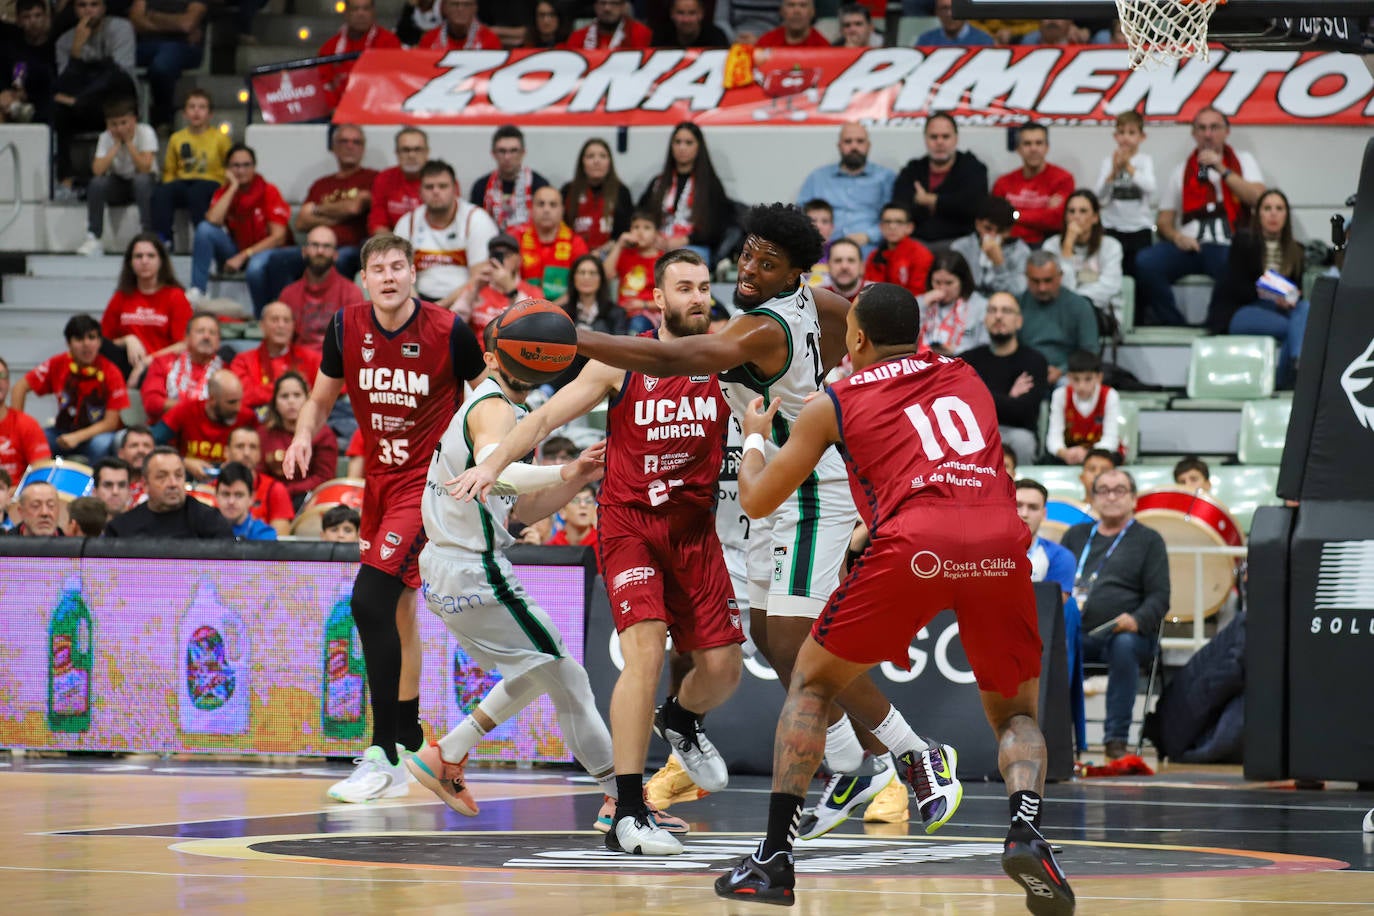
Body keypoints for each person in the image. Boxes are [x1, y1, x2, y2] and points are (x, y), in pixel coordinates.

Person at [572, 205, 960, 845]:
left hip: (810, 486)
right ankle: (847, 766)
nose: (750, 269)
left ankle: (914, 751)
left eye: (768, 264)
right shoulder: (819, 298)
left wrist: (579, 337)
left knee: (797, 640)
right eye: (749, 253)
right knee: (767, 634)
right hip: (781, 483)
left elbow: (677, 359)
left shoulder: (761, 329)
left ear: (791, 274)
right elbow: (859, 329)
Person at [713, 283, 1072, 915]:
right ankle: (1026, 830)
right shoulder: (966, 374)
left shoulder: (837, 399)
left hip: (916, 543)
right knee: (1016, 714)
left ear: (855, 339)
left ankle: (773, 861)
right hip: (999, 537)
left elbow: (758, 500)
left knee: (812, 685)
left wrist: (752, 438)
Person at [449, 248, 742, 857]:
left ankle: (682, 721)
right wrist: (495, 463)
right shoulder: (621, 361)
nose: (697, 296)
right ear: (656, 300)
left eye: (704, 286)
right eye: (684, 287)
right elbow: (545, 414)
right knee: (645, 650)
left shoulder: (729, 358)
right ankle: (629, 810)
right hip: (630, 524)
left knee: (722, 670)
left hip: (695, 529)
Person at [283, 232, 486, 803]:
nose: (390, 276)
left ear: (414, 274)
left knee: (367, 600)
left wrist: (491, 463)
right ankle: (409, 743)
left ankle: (381, 751)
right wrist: (303, 433)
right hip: (378, 484)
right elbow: (322, 398)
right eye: (379, 268)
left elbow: (485, 398)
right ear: (366, 279)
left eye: (400, 266)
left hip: (428, 486)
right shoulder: (346, 327)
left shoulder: (450, 330)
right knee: (398, 613)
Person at [407, 321, 630, 830]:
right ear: (490, 359)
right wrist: (563, 471)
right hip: (473, 571)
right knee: (567, 676)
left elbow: (519, 511)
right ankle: (622, 800)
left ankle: (450, 752)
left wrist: (579, 475)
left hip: (452, 567)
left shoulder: (513, 412)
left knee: (539, 670)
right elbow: (496, 467)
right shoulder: (493, 407)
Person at [1060, 467, 1169, 760]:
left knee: (1124, 646)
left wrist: (1136, 620)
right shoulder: (1075, 535)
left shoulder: (1149, 540)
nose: (1111, 496)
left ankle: (1116, 739)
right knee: (1053, 644)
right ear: (1093, 498)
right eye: (1103, 490)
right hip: (1078, 631)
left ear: (1133, 499)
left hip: (1126, 633)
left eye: (1119, 490)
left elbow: (1160, 597)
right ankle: (1057, 736)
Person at [1134, 106, 1266, 327]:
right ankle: (1172, 322)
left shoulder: (1242, 161)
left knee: (1237, 266)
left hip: (1227, 245)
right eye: (1202, 128)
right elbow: (1164, 220)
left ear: (1226, 131)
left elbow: (1258, 198)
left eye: (1214, 127)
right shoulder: (1181, 170)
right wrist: (1177, 237)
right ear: (1194, 134)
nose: (1208, 134)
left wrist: (1222, 169)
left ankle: (1215, 323)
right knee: (1146, 262)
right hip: (1190, 245)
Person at [1016, 477, 1086, 753]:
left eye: (1032, 507)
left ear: (1044, 513)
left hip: (1041, 637)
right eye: (1018, 505)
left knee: (1069, 612)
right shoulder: (986, 551)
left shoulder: (1060, 557)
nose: (1024, 512)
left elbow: (1053, 607)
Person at [273, 123, 378, 293]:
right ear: (334, 147)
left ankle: (335, 314)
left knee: (341, 259)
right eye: (344, 141)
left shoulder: (373, 178)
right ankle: (282, 312)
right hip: (314, 247)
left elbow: (353, 208)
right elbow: (301, 223)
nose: (350, 146)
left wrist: (317, 209)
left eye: (356, 142)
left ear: (363, 148)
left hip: (349, 248)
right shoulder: (320, 184)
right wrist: (342, 211)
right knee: (275, 259)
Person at [189, 143, 291, 314]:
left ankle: (260, 316)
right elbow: (212, 221)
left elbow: (278, 237)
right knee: (204, 229)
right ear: (228, 169)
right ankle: (198, 292)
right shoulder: (225, 192)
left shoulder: (268, 191)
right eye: (235, 166)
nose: (241, 170)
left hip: (266, 252)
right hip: (237, 251)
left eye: (246, 165)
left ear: (254, 167)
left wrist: (244, 256)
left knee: (255, 268)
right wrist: (233, 187)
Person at [1221, 188, 1309, 388]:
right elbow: (1236, 287)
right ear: (1258, 214)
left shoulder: (1297, 250)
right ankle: (1292, 375)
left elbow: (1296, 291)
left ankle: (1294, 367)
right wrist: (1270, 294)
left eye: (1279, 208)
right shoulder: (1244, 242)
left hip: (1279, 311)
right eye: (1267, 208)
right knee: (1297, 330)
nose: (1273, 214)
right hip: (1244, 310)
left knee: (1304, 308)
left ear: (1286, 215)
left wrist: (1291, 297)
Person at [12, 314, 129, 461]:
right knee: (37, 440)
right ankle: (41, 482)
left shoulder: (112, 372)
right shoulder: (57, 364)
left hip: (97, 434)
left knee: (100, 445)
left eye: (92, 338)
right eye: (79, 339)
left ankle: (96, 483)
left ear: (99, 342)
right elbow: (19, 388)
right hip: (63, 431)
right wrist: (16, 428)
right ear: (69, 343)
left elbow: (111, 423)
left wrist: (77, 437)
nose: (86, 344)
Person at [52, 0, 136, 197]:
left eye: (94, 4)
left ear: (104, 7)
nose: (88, 10)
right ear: (74, 10)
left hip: (117, 103)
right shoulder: (65, 41)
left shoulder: (121, 29)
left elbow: (120, 73)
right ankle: (65, 180)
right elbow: (64, 84)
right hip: (84, 108)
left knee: (113, 75)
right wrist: (76, 52)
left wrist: (78, 98)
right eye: (82, 5)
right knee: (56, 110)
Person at [393, 160, 500, 309]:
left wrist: (441, 307)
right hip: (418, 301)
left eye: (443, 186)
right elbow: (398, 273)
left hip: (466, 302)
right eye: (429, 187)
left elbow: (480, 278)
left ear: (455, 189)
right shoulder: (407, 222)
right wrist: (417, 307)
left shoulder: (476, 219)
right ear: (420, 191)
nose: (436, 191)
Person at [960, 292, 1049, 467]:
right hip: (976, 430)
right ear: (985, 319)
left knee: (1022, 441)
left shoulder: (1034, 361)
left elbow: (1025, 412)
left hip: (1016, 432)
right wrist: (1009, 399)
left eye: (1006, 311)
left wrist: (981, 395)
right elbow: (963, 408)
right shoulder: (967, 360)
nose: (998, 316)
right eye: (992, 310)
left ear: (1019, 321)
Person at [638, 122, 736, 264]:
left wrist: (684, 240)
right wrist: (652, 235)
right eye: (677, 142)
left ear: (698, 147)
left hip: (693, 247)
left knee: (685, 263)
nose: (682, 147)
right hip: (656, 243)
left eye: (688, 143)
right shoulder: (658, 183)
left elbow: (716, 228)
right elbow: (641, 215)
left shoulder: (710, 185)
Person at [100, 233, 193, 383]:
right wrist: (127, 339)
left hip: (161, 364)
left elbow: (184, 345)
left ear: (161, 261)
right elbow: (103, 341)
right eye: (138, 256)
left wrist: (147, 362)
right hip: (127, 362)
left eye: (150, 256)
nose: (144, 261)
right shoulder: (121, 296)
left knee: (147, 376)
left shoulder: (175, 296)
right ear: (130, 262)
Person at [796, 122, 896, 256]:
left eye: (860, 141)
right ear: (839, 146)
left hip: (871, 254)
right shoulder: (818, 178)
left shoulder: (886, 178)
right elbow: (799, 217)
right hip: (824, 257)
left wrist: (869, 236)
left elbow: (897, 218)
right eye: (848, 141)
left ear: (868, 146)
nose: (854, 146)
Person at [893, 112, 989, 249]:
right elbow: (900, 206)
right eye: (934, 137)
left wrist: (931, 200)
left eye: (945, 136)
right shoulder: (912, 170)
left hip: (959, 242)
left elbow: (973, 206)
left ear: (956, 139)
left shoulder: (973, 169)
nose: (939, 142)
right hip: (917, 242)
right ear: (925, 139)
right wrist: (950, 203)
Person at [79, 96, 156, 257]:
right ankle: (94, 237)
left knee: (142, 181)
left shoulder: (146, 132)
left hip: (144, 183)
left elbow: (145, 167)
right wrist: (115, 147)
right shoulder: (105, 137)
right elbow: (97, 170)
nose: (119, 128)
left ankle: (147, 234)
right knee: (97, 184)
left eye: (123, 123)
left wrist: (129, 143)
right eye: (114, 124)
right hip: (119, 183)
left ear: (134, 120)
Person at [152, 89, 228, 247]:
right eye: (192, 107)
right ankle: (163, 239)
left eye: (202, 107)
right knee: (161, 192)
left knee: (197, 192)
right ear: (185, 113)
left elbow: (228, 167)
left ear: (210, 114)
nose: (196, 111)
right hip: (184, 181)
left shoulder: (220, 139)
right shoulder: (177, 138)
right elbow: (170, 170)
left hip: (211, 182)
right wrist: (169, 185)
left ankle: (203, 239)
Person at [106, 446, 234, 537]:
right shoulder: (121, 529)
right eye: (162, 477)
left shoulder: (210, 520)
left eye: (178, 476)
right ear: (145, 484)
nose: (173, 484)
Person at [153, 368, 256, 480]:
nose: (237, 408)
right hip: (187, 481)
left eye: (240, 400)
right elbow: (152, 441)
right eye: (231, 402)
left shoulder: (247, 417)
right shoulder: (185, 411)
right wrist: (183, 461)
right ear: (212, 399)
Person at [278, 227, 367, 353]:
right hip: (298, 367)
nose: (320, 251)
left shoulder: (351, 293)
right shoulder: (288, 294)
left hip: (336, 368)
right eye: (315, 245)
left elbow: (355, 341)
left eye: (326, 246)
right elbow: (281, 342)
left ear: (335, 255)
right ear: (304, 252)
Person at [1017, 250, 1100, 385]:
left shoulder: (1080, 306)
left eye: (1048, 280)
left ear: (1060, 276)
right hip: (1024, 373)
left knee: (1069, 385)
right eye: (1035, 281)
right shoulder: (1015, 305)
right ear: (1026, 278)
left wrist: (1063, 370)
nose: (1042, 287)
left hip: (1068, 374)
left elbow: (1090, 352)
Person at [258, 370, 336, 510]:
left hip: (309, 499)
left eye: (297, 395)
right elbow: (259, 473)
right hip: (271, 498)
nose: (291, 401)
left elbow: (324, 478)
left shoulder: (323, 434)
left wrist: (288, 490)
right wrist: (276, 492)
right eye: (284, 396)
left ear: (308, 400)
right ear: (275, 402)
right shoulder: (264, 434)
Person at [992, 122, 1076, 248]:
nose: (1033, 149)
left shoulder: (1063, 179)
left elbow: (1057, 220)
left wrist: (1014, 214)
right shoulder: (1003, 182)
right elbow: (996, 218)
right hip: (1009, 245)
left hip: (1047, 245)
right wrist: (1042, 212)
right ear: (1018, 149)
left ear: (1047, 147)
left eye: (1039, 143)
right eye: (1027, 144)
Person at [1095, 110, 1156, 281]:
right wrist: (1113, 172)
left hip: (1139, 228)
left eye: (1131, 132)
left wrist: (1128, 167)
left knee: (1140, 275)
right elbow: (1099, 196)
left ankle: (1140, 308)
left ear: (1142, 137)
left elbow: (1150, 188)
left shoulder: (1145, 160)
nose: (1126, 138)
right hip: (1112, 226)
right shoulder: (1108, 162)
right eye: (1121, 132)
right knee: (1113, 273)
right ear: (1115, 136)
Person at [229, 302, 322, 413]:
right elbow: (243, 395)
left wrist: (263, 391)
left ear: (293, 326)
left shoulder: (312, 358)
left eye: (286, 321)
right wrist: (295, 391)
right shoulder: (243, 361)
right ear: (262, 326)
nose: (281, 325)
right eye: (274, 320)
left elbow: (333, 389)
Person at [1044, 189, 1123, 319]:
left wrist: (1075, 301)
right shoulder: (1051, 246)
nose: (1076, 216)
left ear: (1095, 218)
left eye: (1083, 211)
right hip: (1059, 311)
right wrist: (1067, 247)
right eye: (1071, 211)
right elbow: (1056, 287)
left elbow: (1109, 286)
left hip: (1098, 311)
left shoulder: (1111, 246)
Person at [448, 232, 541, 342]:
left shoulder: (533, 292)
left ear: (519, 260)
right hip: (478, 354)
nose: (500, 259)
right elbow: (452, 323)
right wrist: (474, 289)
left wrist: (511, 290)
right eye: (495, 255)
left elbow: (534, 329)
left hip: (509, 354)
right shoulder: (479, 287)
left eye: (507, 254)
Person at [129, 0, 206, 130]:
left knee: (162, 65)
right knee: (117, 60)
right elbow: (135, 21)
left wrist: (154, 17)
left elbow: (186, 24)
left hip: (182, 46)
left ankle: (162, 117)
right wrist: (173, 25)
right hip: (146, 46)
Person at [139, 311, 223, 423]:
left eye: (212, 333)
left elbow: (225, 408)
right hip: (166, 430)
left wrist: (178, 406)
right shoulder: (163, 362)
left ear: (219, 341)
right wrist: (198, 408)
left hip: (208, 434)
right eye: (200, 331)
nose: (206, 336)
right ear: (186, 338)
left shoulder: (225, 371)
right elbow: (152, 403)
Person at [512, 186, 589, 302]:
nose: (546, 210)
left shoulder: (576, 243)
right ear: (531, 209)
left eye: (553, 205)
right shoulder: (517, 239)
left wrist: (551, 310)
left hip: (565, 311)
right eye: (541, 204)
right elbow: (509, 279)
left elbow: (582, 286)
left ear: (562, 210)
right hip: (522, 307)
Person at [318, 0, 400, 106]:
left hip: (378, 110)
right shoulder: (329, 47)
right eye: (354, 9)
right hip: (337, 113)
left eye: (366, 9)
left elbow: (394, 85)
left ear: (373, 12)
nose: (360, 14)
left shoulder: (389, 43)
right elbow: (323, 85)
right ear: (346, 13)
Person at [470, 125, 550, 234]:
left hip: (530, 246)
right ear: (493, 154)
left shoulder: (539, 185)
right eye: (502, 151)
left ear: (523, 153)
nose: (507, 157)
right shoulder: (481, 186)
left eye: (513, 151)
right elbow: (475, 225)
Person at [1046, 349, 1121, 464]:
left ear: (1099, 378)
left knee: (1113, 457)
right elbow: (1053, 437)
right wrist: (1064, 453)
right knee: (1048, 460)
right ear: (1069, 377)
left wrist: (1087, 454)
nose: (1081, 386)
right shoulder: (1060, 395)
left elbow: (1110, 439)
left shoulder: (1110, 395)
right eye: (1076, 379)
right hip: (1069, 454)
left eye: (1088, 379)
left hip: (1099, 454)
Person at [562, 137, 634, 258]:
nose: (597, 161)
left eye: (603, 156)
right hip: (573, 255)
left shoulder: (622, 192)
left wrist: (599, 254)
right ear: (582, 162)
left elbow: (624, 234)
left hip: (611, 258)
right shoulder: (568, 191)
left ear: (609, 162)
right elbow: (562, 229)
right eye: (590, 156)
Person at [952, 195, 1030, 298]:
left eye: (1000, 231)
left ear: (1009, 231)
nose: (993, 236)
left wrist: (999, 265)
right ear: (978, 224)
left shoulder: (1021, 251)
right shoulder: (961, 247)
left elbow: (1019, 293)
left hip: (1003, 306)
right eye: (988, 229)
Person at [917, 250, 988, 356]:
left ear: (962, 281)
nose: (942, 289)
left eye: (949, 283)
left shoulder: (981, 306)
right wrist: (922, 307)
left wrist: (955, 352)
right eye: (937, 282)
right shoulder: (921, 302)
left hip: (964, 364)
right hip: (923, 363)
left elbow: (985, 347)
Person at [225, 425, 293, 534]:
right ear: (226, 452)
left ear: (259, 454)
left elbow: (280, 541)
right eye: (240, 446)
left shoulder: (275, 489)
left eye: (253, 447)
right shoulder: (211, 489)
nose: (246, 453)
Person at [0, 0, 57, 128]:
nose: (33, 21)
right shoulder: (12, 48)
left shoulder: (55, 46)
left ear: (46, 18)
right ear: (18, 20)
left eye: (37, 16)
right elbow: (15, 72)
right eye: (27, 17)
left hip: (46, 102)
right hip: (16, 102)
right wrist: (8, 92)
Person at [604, 211, 662, 331]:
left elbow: (668, 299)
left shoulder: (662, 261)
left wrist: (643, 304)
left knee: (637, 325)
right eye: (636, 227)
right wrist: (619, 245)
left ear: (656, 234)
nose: (640, 232)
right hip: (622, 311)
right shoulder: (625, 254)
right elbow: (605, 275)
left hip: (647, 313)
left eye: (647, 228)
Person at [368, 127, 429, 237]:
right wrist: (394, 247)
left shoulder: (441, 179)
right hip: (392, 241)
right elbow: (377, 223)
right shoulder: (384, 178)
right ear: (396, 153)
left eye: (417, 149)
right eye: (405, 150)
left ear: (427, 152)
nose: (411, 155)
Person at [865, 202, 934, 298]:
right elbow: (868, 290)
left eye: (899, 222)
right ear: (881, 227)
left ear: (910, 227)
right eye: (887, 221)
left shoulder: (921, 255)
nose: (892, 226)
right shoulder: (873, 256)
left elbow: (918, 294)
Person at [0, 354, 51, 484]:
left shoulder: (27, 424)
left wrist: (14, 493)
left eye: (2, 376)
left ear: (8, 383)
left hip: (17, 498)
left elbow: (42, 472)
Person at [215, 460, 277, 540]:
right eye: (226, 494)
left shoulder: (264, 534)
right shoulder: (203, 530)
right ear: (216, 495)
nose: (231, 501)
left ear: (251, 498)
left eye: (239, 495)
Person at [564, 0, 651, 49]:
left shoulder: (640, 32)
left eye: (614, 3)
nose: (607, 8)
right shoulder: (578, 36)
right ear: (595, 6)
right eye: (602, 3)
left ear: (624, 6)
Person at [419, 0, 503, 49]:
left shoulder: (489, 40)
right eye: (455, 4)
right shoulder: (429, 40)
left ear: (475, 8)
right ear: (444, 8)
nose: (460, 9)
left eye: (467, 5)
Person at [652, 0, 730, 47]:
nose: (686, 20)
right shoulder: (660, 37)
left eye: (692, 13)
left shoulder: (716, 37)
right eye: (680, 13)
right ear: (672, 14)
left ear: (701, 14)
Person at [916, 0, 995, 45]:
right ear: (937, 12)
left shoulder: (983, 41)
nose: (949, 14)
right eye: (944, 8)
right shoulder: (926, 41)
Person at [817, 237, 870, 304]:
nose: (844, 266)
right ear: (828, 266)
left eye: (851, 260)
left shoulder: (874, 293)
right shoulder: (817, 297)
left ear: (861, 267)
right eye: (838, 260)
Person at [756, 0, 828, 46]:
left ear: (812, 12)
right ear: (782, 11)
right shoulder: (765, 43)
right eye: (791, 5)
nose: (796, 11)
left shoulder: (822, 46)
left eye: (803, 5)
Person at [116, 424, 155, 503]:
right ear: (121, 453)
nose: (141, 450)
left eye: (146, 446)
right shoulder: (109, 486)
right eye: (134, 445)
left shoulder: (162, 487)